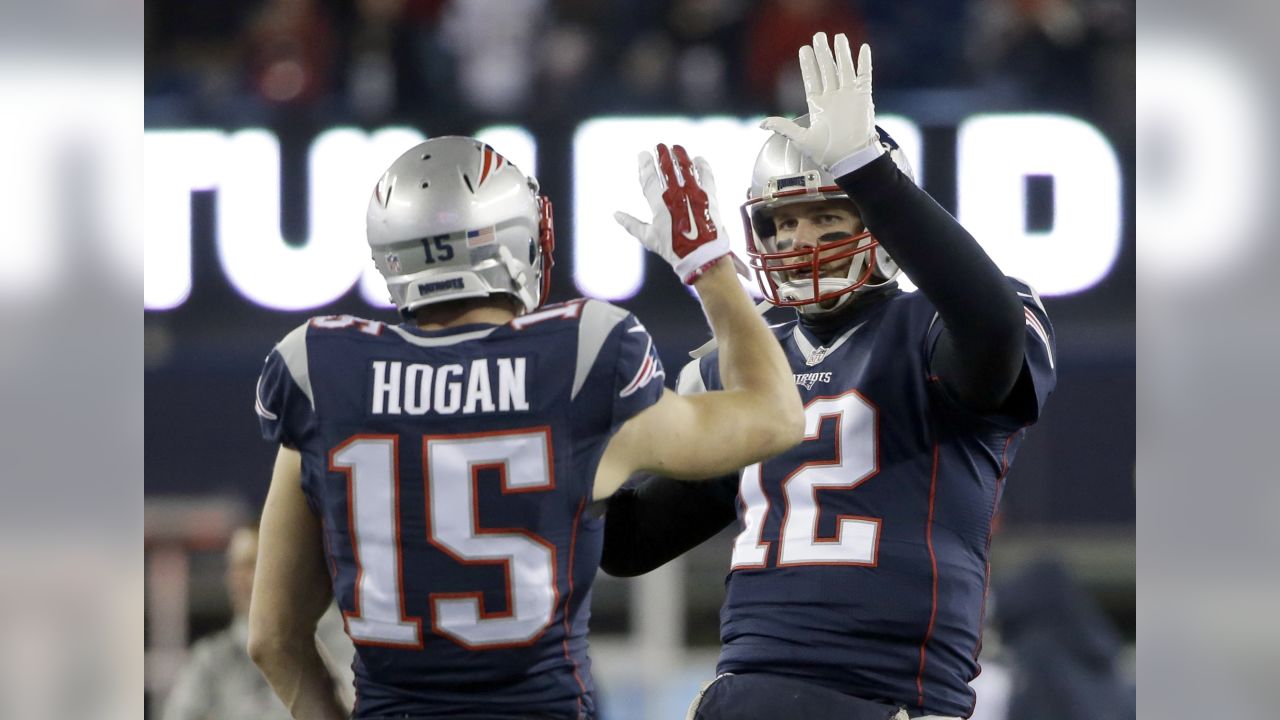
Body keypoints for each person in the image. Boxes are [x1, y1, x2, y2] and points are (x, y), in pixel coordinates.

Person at [247, 135, 803, 719]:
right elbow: (777, 417)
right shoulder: (579, 364)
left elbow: (272, 639)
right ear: (519, 240)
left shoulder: (322, 376)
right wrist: (706, 264)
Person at [602, 33, 1057, 720]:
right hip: (746, 690)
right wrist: (593, 441)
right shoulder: (747, 356)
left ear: (877, 221)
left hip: (882, 695)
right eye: (781, 224)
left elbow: (993, 333)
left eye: (826, 214)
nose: (800, 240)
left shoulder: (928, 329)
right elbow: (628, 545)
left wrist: (868, 172)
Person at [162, 526, 353, 720]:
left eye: (250, 565)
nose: (238, 579)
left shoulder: (341, 637)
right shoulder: (210, 658)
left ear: (289, 566)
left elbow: (350, 706)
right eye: (234, 567)